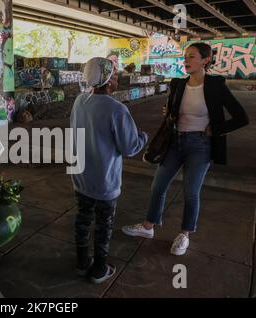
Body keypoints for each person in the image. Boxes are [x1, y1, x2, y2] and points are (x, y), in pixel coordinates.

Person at [122, 42, 249, 256]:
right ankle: (147, 227)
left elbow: (241, 118)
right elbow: (172, 110)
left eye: (191, 56)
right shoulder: (179, 84)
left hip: (200, 146)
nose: (186, 60)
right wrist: (168, 112)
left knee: (191, 192)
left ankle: (185, 234)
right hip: (175, 142)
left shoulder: (215, 86)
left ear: (206, 60)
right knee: (158, 186)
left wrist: (214, 130)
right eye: (185, 56)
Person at [71, 57, 148, 284]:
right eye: (113, 74)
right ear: (107, 79)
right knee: (104, 225)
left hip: (81, 176)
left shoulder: (79, 101)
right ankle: (99, 269)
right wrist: (143, 136)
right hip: (105, 181)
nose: (116, 77)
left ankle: (82, 263)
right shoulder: (117, 109)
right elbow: (130, 147)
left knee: (83, 219)